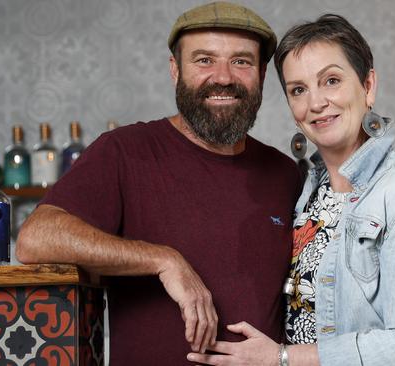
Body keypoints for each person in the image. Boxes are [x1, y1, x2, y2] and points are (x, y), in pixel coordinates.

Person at [16, 2, 301, 365]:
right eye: (204, 60)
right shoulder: (124, 152)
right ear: (174, 69)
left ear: (261, 74)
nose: (224, 77)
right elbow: (36, 238)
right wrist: (164, 260)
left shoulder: (284, 173)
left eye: (241, 61)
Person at [187, 14, 395, 366]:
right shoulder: (306, 195)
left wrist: (281, 358)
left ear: (368, 86)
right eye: (298, 89)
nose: (316, 103)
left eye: (331, 80)